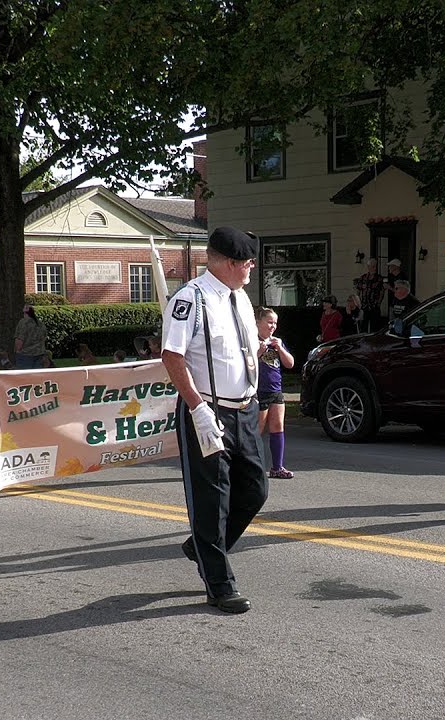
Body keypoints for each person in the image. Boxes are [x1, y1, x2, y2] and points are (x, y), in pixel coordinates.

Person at [161, 226, 268, 614]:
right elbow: (172, 356)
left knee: (255, 490)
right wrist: (197, 408)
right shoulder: (191, 299)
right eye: (246, 262)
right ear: (225, 262)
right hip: (207, 410)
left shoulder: (239, 298)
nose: (251, 268)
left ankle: (202, 547)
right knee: (212, 498)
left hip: (244, 408)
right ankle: (219, 584)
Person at [255, 306, 296, 479]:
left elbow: (290, 364)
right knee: (257, 430)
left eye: (275, 323)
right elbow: (245, 363)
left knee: (277, 427)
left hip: (276, 389)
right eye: (269, 322)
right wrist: (260, 351)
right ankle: (252, 467)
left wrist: (281, 349)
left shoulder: (276, 342)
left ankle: (277, 467)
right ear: (258, 323)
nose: (273, 326)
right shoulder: (251, 340)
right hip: (259, 390)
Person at [12, 304, 49, 369]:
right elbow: (44, 338)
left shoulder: (23, 323)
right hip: (39, 354)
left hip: (25, 355)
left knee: (25, 377)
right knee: (37, 377)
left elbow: (19, 340)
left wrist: (17, 351)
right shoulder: (40, 324)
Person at [353, 258, 385, 331]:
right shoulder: (363, 278)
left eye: (375, 266)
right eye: (373, 266)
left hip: (374, 306)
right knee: (363, 326)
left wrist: (379, 303)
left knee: (375, 327)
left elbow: (382, 292)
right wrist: (358, 303)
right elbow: (357, 290)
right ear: (368, 267)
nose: (375, 268)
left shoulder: (379, 278)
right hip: (364, 306)